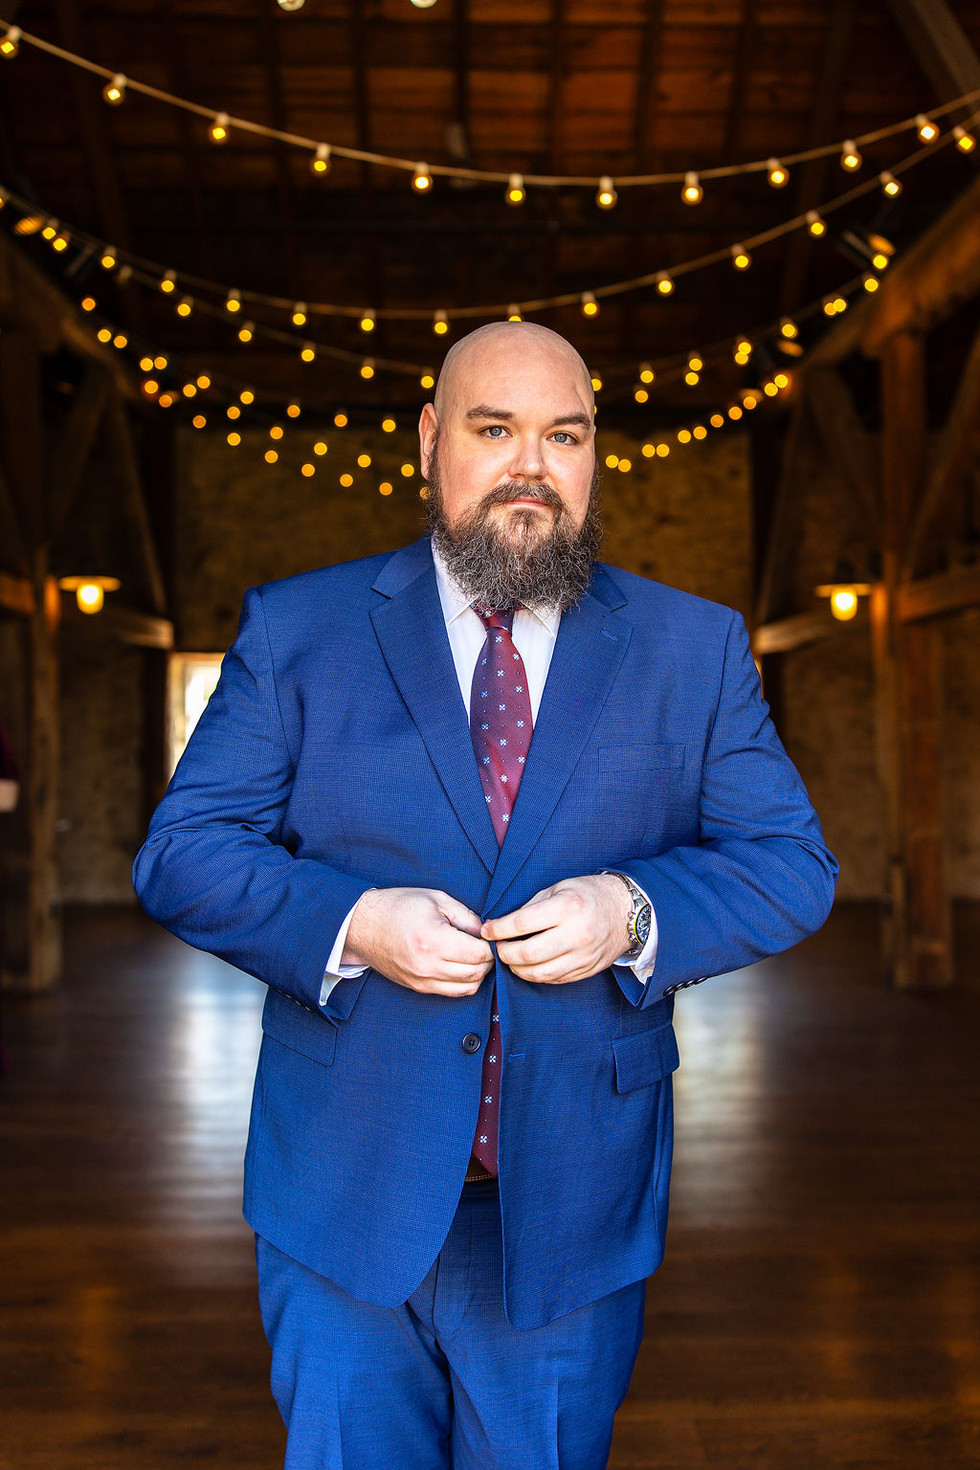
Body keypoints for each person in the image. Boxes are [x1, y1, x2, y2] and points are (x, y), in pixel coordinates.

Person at [133, 321, 837, 1470]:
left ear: (594, 451)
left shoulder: (691, 646)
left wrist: (632, 913)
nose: (530, 466)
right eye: (494, 428)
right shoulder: (298, 631)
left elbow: (790, 865)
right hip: (342, 1191)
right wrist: (353, 924)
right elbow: (184, 851)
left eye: (563, 435)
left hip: (569, 1207)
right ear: (429, 442)